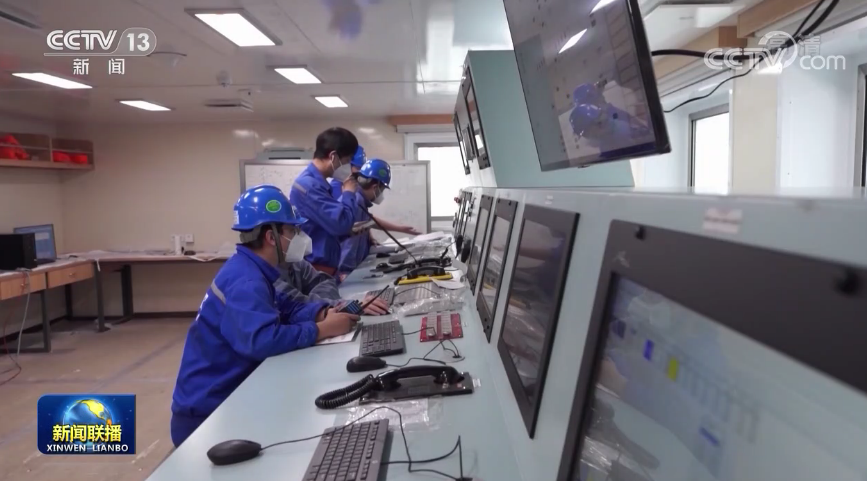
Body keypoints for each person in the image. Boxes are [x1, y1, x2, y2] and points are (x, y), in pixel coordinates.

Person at [170, 185, 358, 447]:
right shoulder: (246, 281)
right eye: (292, 231)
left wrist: (323, 312)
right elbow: (262, 341)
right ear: (272, 237)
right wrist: (322, 330)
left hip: (229, 395)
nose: (298, 237)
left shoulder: (253, 268)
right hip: (208, 413)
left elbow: (288, 307)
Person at [289, 127, 360, 276]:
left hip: (325, 268)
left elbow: (323, 228)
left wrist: (348, 232)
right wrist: (348, 193)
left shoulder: (317, 184)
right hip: (316, 270)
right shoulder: (309, 186)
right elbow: (340, 224)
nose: (347, 167)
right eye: (347, 161)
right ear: (333, 156)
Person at [337, 158, 392, 277]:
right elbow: (348, 245)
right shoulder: (355, 203)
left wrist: (368, 240)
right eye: (382, 190)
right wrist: (344, 272)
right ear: (375, 187)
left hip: (354, 269)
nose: (380, 194)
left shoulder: (360, 201)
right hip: (347, 273)